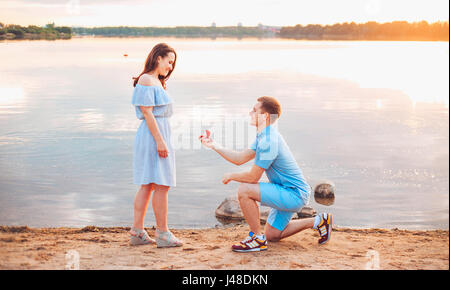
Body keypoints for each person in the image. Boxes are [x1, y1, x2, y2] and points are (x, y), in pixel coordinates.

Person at [199, 96, 332, 252]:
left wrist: (231, 176)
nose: (250, 112)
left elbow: (253, 177)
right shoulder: (264, 136)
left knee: (245, 189)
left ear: (265, 116)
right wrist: (214, 145)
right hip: (287, 190)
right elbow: (240, 158)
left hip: (294, 194)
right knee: (273, 234)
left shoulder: (269, 141)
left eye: (254, 110)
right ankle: (319, 221)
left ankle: (256, 238)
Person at [129, 43, 182, 248]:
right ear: (158, 58)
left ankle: (138, 232)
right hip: (153, 136)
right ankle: (162, 233)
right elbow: (147, 112)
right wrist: (160, 141)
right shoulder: (147, 80)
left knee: (152, 184)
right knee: (160, 184)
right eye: (169, 62)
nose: (170, 67)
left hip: (157, 133)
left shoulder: (156, 82)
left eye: (172, 63)